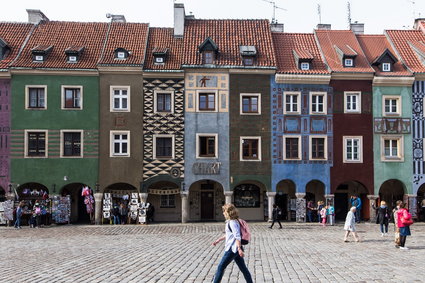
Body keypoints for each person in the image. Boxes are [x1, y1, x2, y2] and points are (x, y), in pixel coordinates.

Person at [212, 204, 253, 283]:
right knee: (243, 269)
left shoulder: (232, 222)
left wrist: (239, 249)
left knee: (221, 267)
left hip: (232, 249)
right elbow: (229, 234)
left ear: (228, 212)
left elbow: (237, 236)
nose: (223, 213)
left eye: (224, 211)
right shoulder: (234, 221)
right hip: (236, 249)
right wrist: (218, 240)